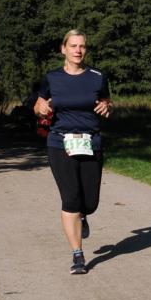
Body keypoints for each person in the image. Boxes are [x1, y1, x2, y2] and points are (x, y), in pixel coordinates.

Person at [34, 30, 113, 275]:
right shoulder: (51, 78)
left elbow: (107, 103)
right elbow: (38, 105)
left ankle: (84, 215)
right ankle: (77, 255)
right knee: (70, 199)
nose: (78, 50)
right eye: (73, 46)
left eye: (82, 46)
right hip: (60, 143)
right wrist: (41, 108)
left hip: (91, 143)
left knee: (89, 202)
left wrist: (107, 107)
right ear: (64, 49)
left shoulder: (98, 77)